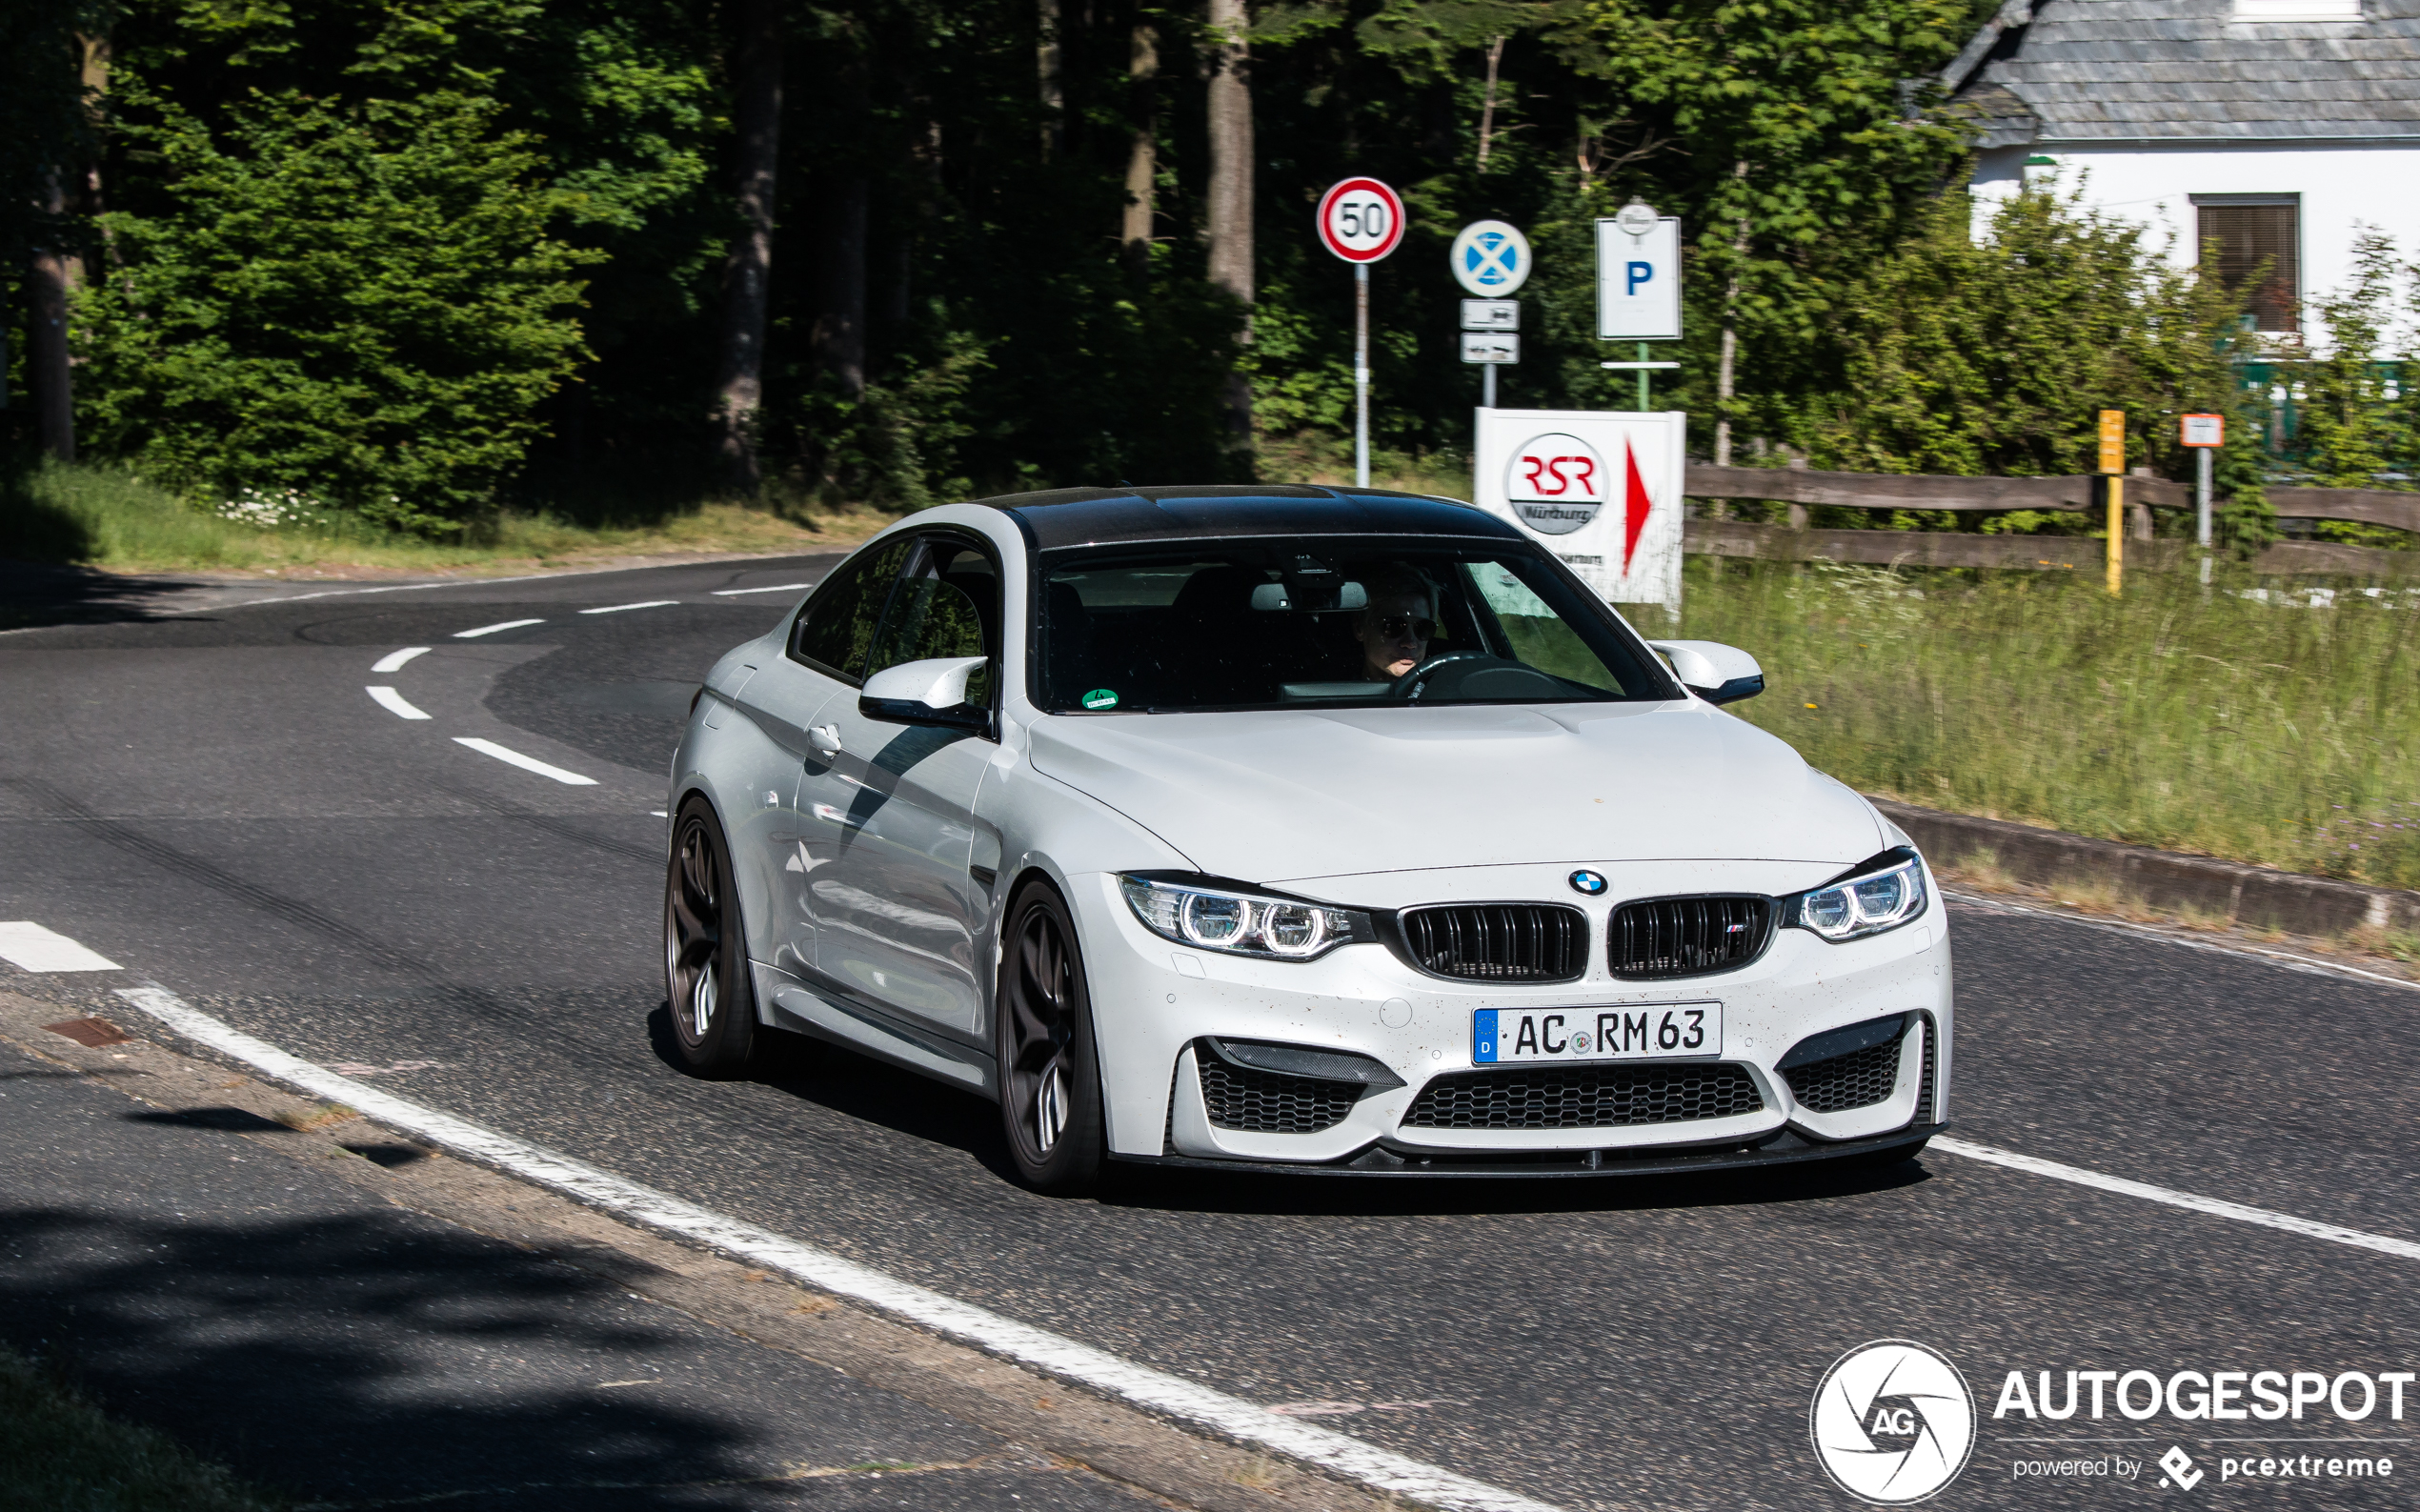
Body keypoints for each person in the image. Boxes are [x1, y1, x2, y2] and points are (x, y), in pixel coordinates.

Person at [1350, 565, 1437, 684]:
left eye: (1423, 628)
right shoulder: (1330, 690)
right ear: (1359, 627)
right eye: (1393, 626)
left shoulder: (1441, 695)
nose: (1410, 643)